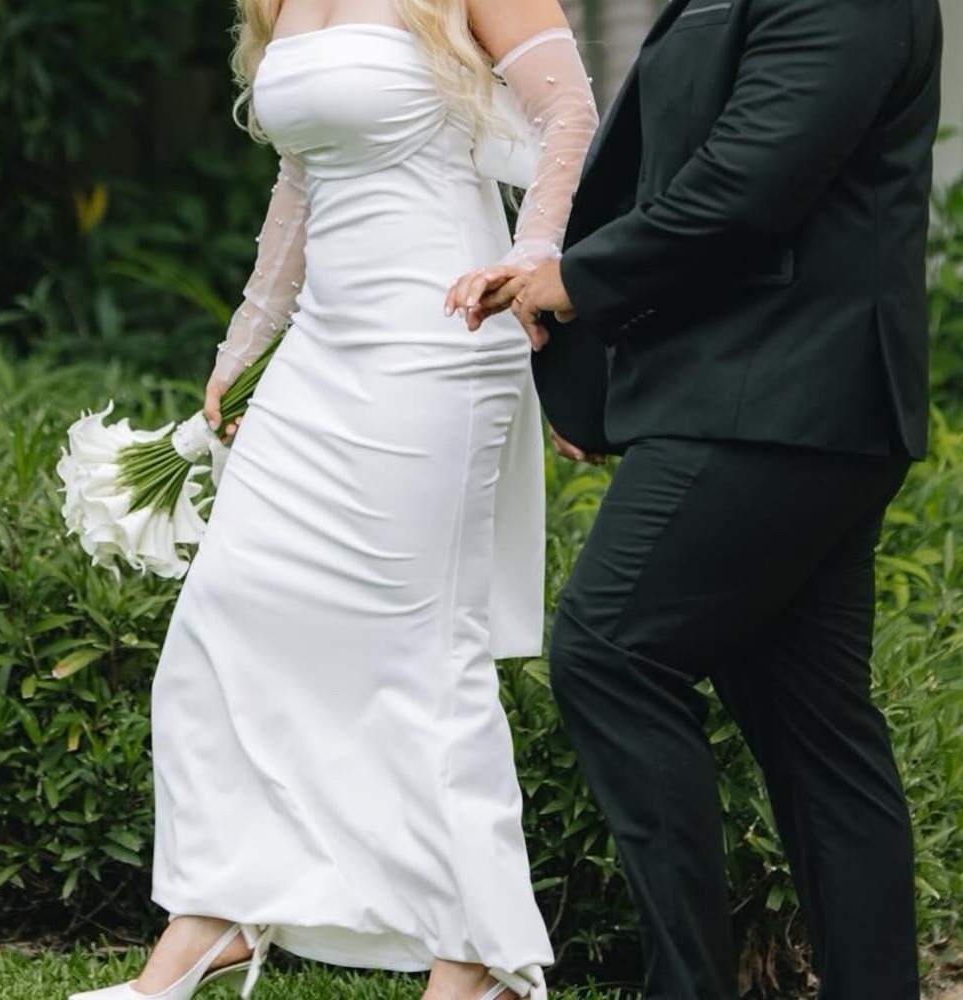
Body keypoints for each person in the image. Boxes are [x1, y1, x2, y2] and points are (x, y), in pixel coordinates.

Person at [69, 2, 598, 1000]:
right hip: (321, 350)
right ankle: (211, 919)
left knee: (423, 656)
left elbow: (569, 111)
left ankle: (473, 954)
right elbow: (302, 178)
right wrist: (243, 345)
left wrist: (528, 266)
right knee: (222, 624)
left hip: (441, 338)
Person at [461, 0, 945, 997]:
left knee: (607, 651)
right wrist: (608, 367)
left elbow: (744, 190)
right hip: (757, 392)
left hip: (788, 397)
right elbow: (668, 166)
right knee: (815, 732)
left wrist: (574, 285)